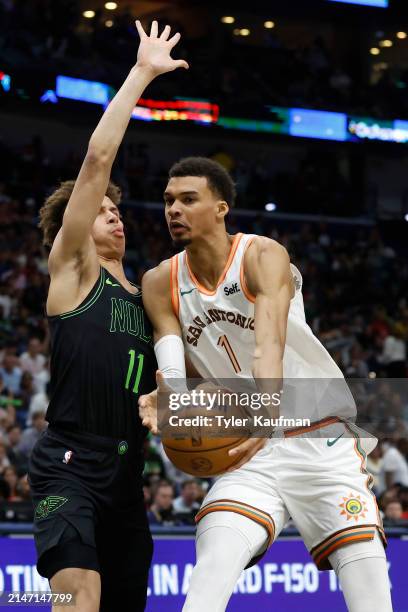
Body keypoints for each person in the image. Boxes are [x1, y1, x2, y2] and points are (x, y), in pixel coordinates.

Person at [139, 157, 393, 612]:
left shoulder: (262, 254)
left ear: (221, 208)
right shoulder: (160, 281)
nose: (173, 209)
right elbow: (171, 355)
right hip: (245, 448)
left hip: (317, 432)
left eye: (188, 199)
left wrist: (264, 413)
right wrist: (172, 399)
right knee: (211, 572)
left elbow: (268, 343)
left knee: (370, 594)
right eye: (168, 201)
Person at [28, 21, 188, 612]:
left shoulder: (150, 296)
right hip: (70, 464)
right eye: (103, 210)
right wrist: (142, 73)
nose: (115, 216)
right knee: (79, 599)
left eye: (120, 210)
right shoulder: (73, 271)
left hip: (128, 478)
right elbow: (98, 158)